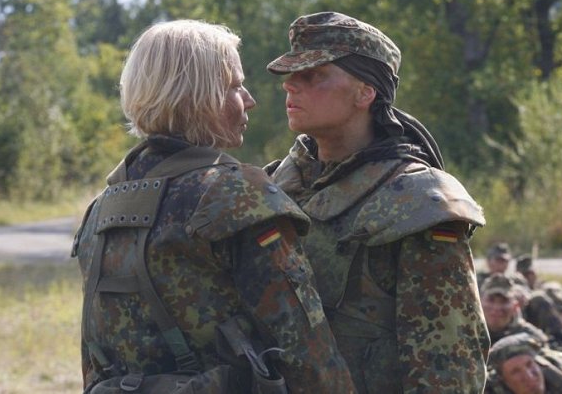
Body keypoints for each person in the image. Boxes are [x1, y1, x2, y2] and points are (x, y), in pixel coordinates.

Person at [72, 20, 355, 393]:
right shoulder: (236, 195)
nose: (249, 99)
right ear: (199, 95)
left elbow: (96, 357)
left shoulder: (102, 208)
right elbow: (307, 354)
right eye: (235, 86)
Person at [264, 11, 489, 393]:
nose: (291, 86)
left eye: (313, 75)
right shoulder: (273, 188)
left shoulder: (417, 202)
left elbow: (449, 365)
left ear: (365, 93)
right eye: (291, 75)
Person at [480, 273, 548, 345]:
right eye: (491, 300)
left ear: (515, 306)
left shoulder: (530, 336)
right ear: (479, 303)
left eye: (504, 301)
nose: (496, 307)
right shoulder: (470, 333)